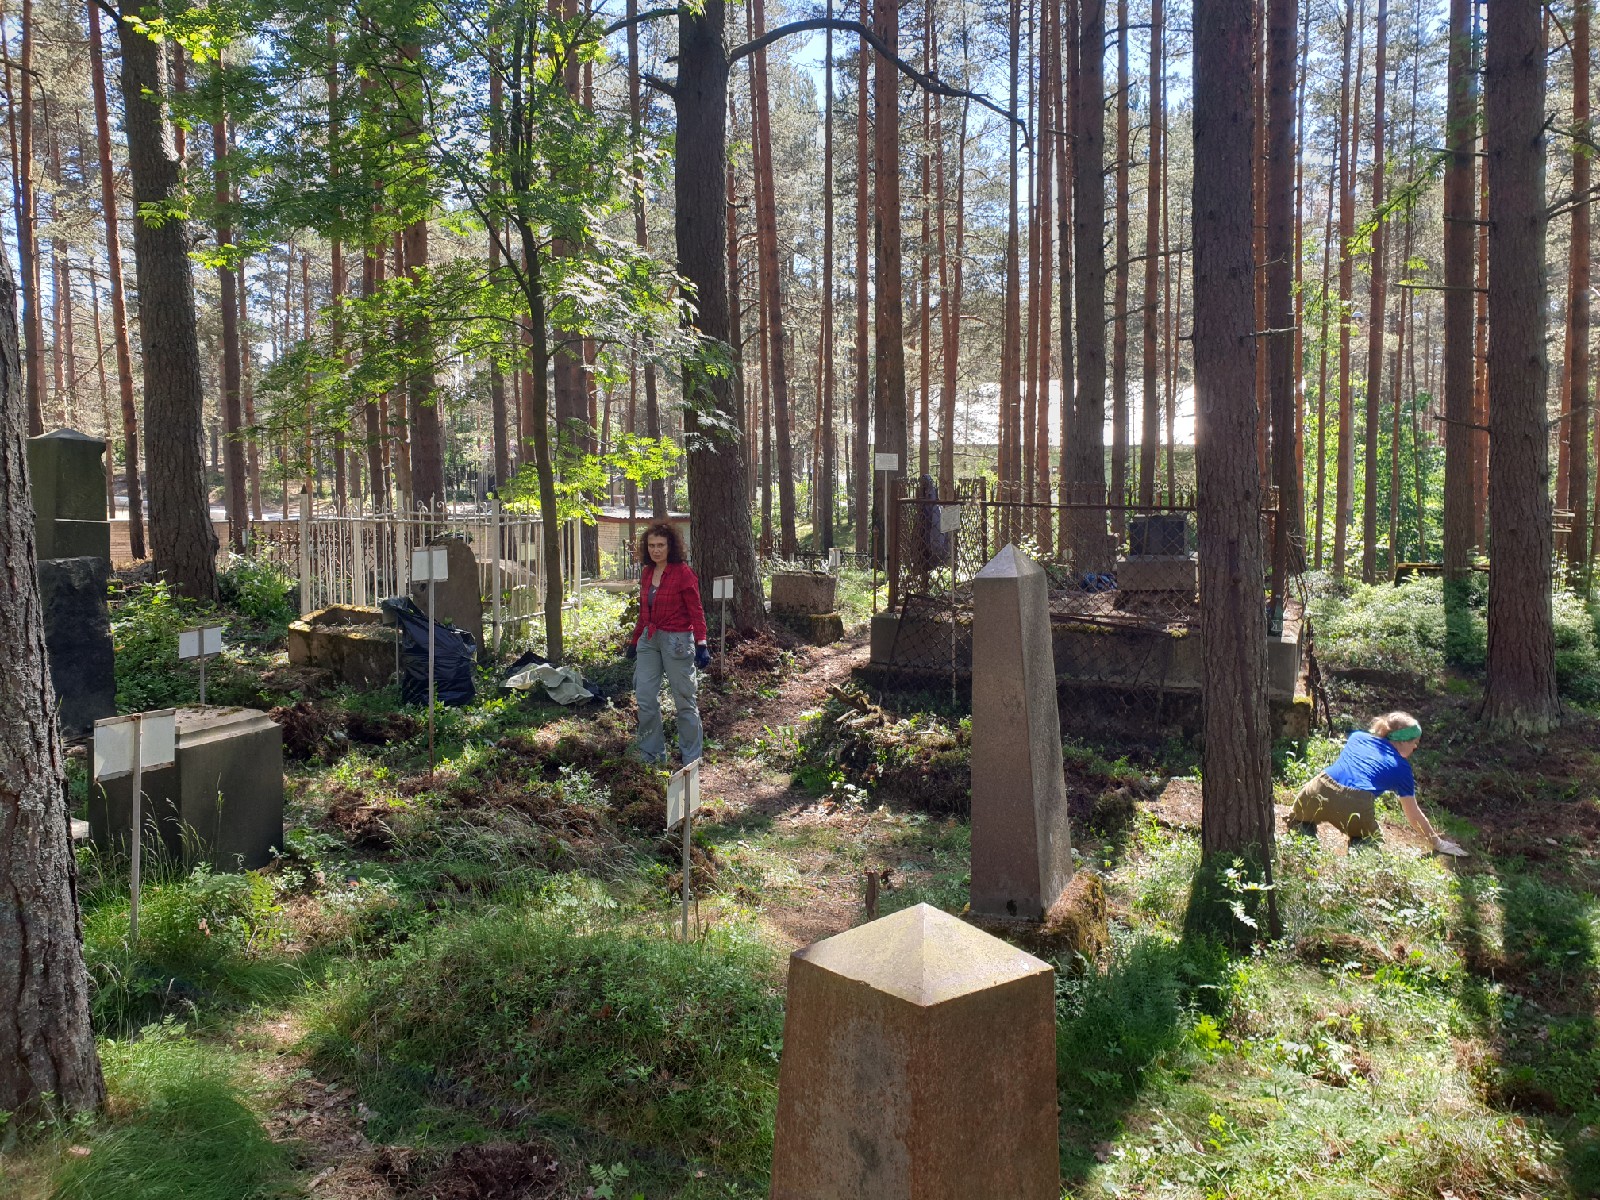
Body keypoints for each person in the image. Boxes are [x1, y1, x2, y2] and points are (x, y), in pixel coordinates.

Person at [1288, 710, 1467, 856]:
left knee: (1300, 819)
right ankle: (1360, 860)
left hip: (1319, 788)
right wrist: (1437, 842)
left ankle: (1303, 846)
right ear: (1402, 741)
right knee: (1367, 839)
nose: (1415, 747)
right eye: (1415, 742)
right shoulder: (1402, 767)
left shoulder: (1357, 737)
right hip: (1355, 803)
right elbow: (1413, 814)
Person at [625, 523, 711, 766]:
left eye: (660, 545)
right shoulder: (646, 573)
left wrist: (702, 643)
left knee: (684, 701)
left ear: (670, 546)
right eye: (651, 545)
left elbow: (696, 610)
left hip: (678, 641)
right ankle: (652, 757)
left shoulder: (683, 573)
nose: (656, 550)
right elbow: (644, 613)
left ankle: (691, 759)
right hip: (649, 641)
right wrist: (634, 642)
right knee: (645, 698)